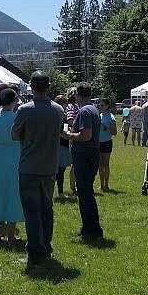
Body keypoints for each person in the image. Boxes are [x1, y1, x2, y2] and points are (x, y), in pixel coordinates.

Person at [12, 72, 65, 266]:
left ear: (31, 87)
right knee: (46, 209)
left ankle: (35, 253)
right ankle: (46, 246)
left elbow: (15, 135)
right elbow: (59, 132)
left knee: (32, 211)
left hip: (29, 167)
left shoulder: (24, 110)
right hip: (50, 166)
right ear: (49, 86)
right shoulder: (58, 110)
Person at [61, 83, 103, 240]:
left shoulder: (85, 111)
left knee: (85, 193)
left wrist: (68, 135)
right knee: (84, 193)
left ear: (78, 95)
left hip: (85, 155)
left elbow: (86, 135)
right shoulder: (92, 109)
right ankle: (87, 228)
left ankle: (93, 230)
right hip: (89, 155)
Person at [0, 88, 23, 245]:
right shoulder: (17, 119)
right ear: (14, 101)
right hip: (15, 159)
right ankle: (11, 235)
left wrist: (0, 142)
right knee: (13, 195)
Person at [53, 94, 73, 200]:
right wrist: (68, 133)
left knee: (60, 170)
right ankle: (60, 193)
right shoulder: (59, 114)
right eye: (65, 103)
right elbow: (60, 131)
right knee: (60, 171)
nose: (66, 106)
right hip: (61, 145)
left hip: (62, 144)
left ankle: (58, 192)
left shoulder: (60, 114)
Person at [97, 99, 117, 192]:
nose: (100, 107)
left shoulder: (111, 117)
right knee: (100, 165)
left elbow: (114, 132)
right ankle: (101, 185)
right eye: (99, 105)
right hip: (98, 143)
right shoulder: (99, 115)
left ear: (107, 106)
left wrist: (104, 127)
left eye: (102, 105)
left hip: (106, 142)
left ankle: (106, 184)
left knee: (106, 164)